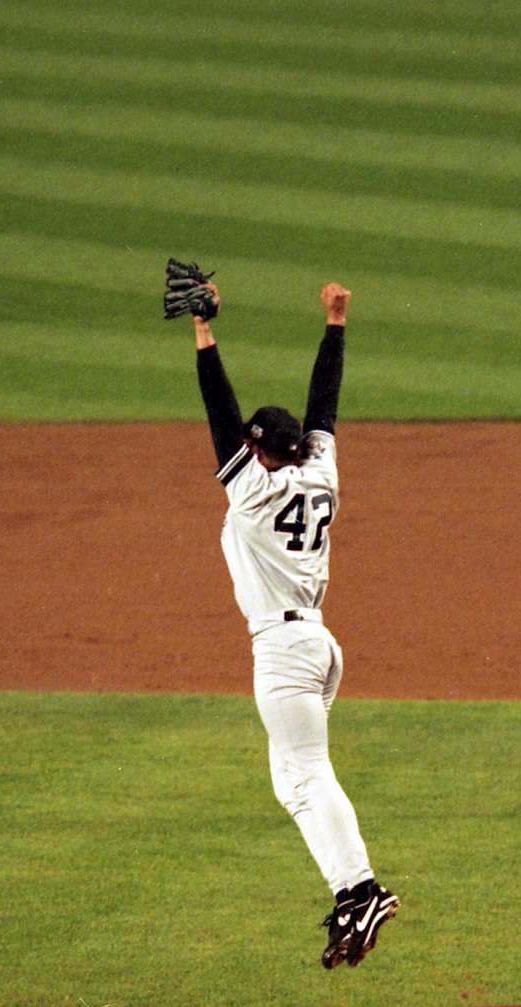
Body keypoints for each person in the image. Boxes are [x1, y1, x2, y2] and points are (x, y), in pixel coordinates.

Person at [186, 277, 398, 967]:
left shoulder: (254, 491)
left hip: (283, 649)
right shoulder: (321, 473)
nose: (246, 450)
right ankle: (349, 890)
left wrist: (205, 332)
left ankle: (360, 888)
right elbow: (324, 407)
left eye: (254, 445)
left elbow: (220, 417)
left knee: (306, 773)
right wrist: (334, 324)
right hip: (318, 644)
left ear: (263, 452)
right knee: (293, 778)